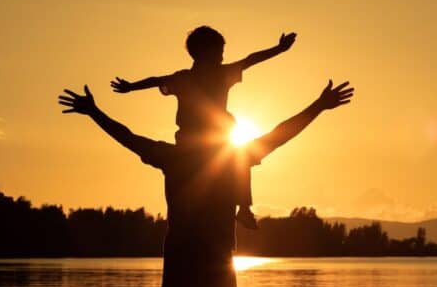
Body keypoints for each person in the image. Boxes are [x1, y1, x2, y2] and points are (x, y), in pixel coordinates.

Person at [58, 80, 353, 287]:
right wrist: (318, 106)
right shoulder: (232, 159)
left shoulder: (173, 157)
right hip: (216, 269)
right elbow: (279, 135)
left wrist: (94, 112)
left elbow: (127, 137)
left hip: (182, 267)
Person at [110, 26, 298, 230]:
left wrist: (131, 87)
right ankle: (243, 208)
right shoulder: (207, 75)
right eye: (219, 52)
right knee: (240, 154)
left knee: (239, 153)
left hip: (209, 141)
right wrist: (131, 87)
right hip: (195, 142)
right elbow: (249, 60)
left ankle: (243, 208)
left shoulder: (188, 77)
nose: (222, 56)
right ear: (203, 52)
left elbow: (250, 60)